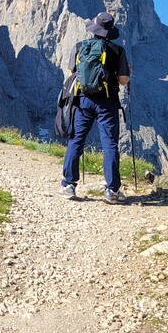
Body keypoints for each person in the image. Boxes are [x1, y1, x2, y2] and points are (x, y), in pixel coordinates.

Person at [60, 12, 131, 204]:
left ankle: (68, 185)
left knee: (76, 140)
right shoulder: (118, 50)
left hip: (83, 101)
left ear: (94, 28)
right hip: (106, 103)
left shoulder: (79, 47)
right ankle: (112, 190)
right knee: (109, 145)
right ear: (110, 31)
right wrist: (125, 72)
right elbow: (123, 81)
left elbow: (72, 74)